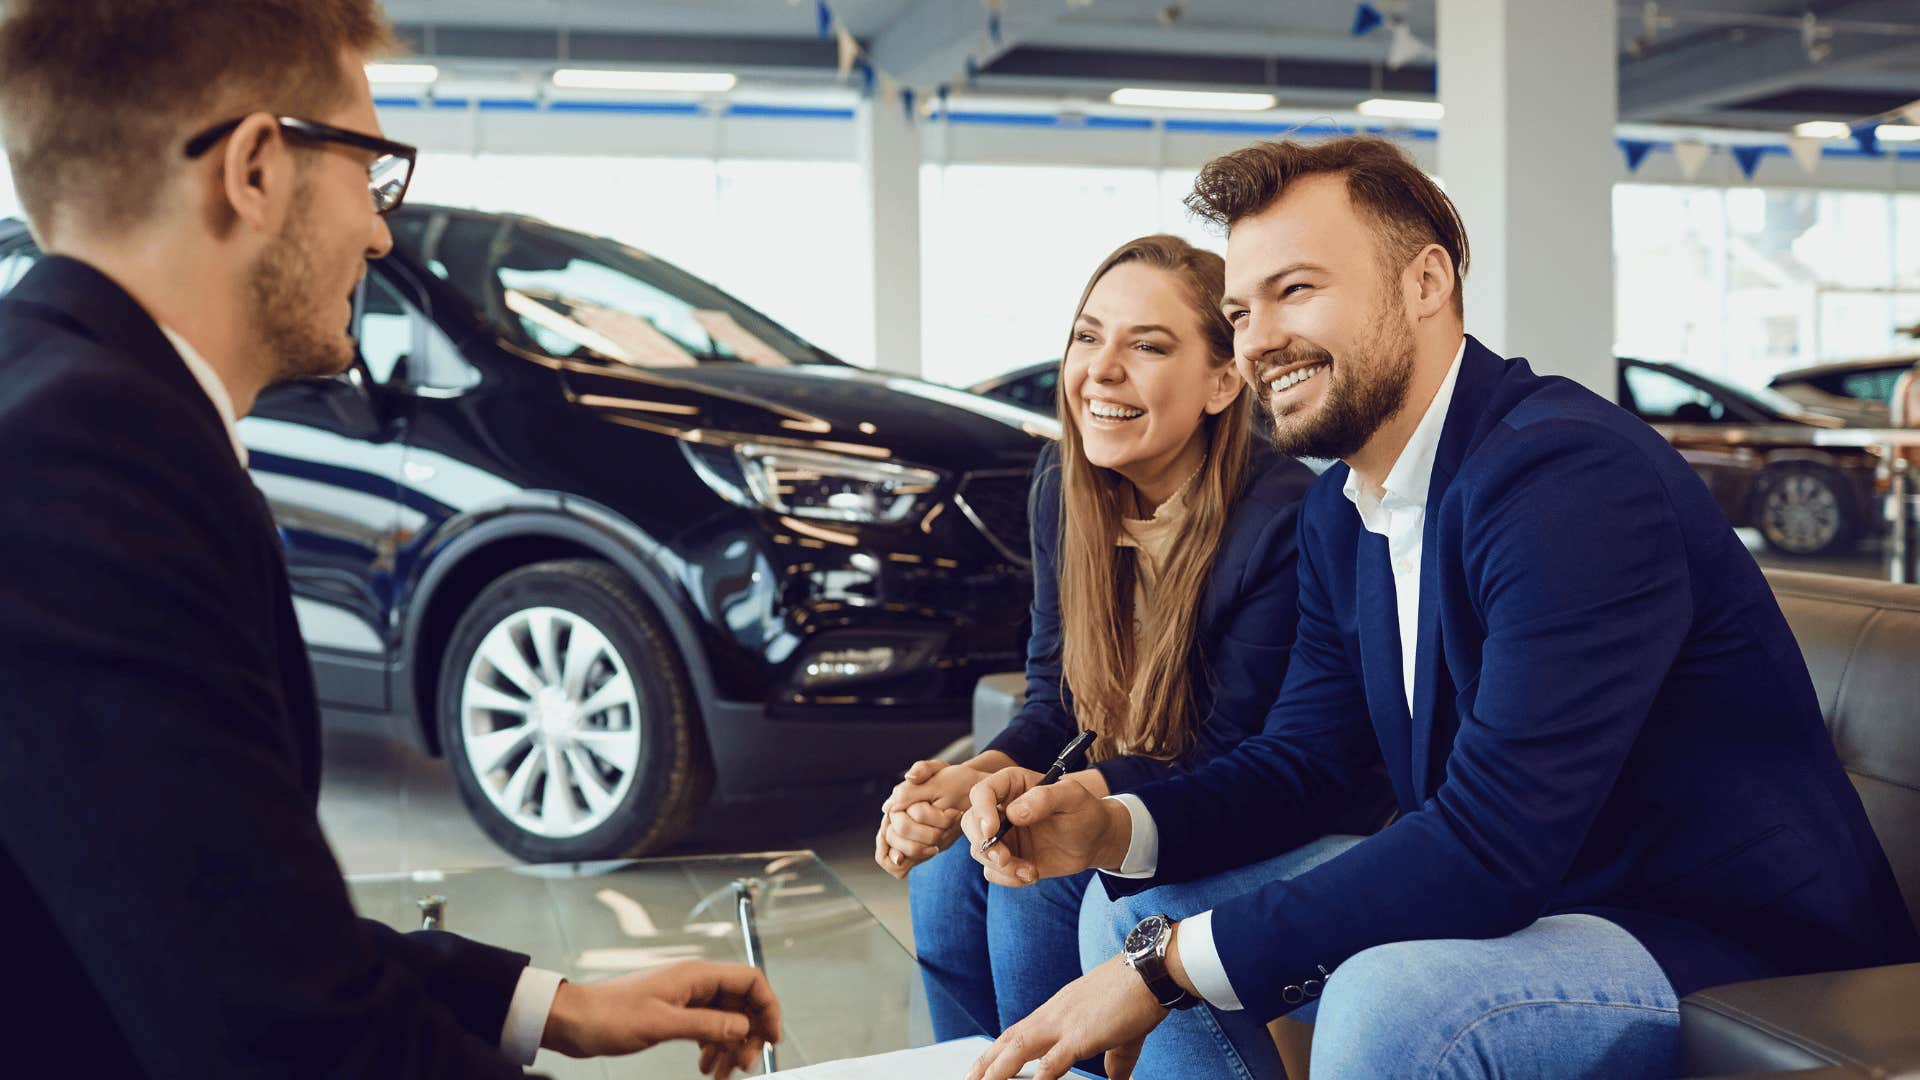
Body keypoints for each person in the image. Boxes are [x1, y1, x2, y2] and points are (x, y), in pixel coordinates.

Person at [958, 135, 1920, 1080]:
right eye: (1241, 311)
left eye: (1297, 290)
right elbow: (1304, 765)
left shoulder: (1567, 477)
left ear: (1425, 284)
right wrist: (1115, 823)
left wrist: (1166, 970)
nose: (1259, 342)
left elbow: (1494, 839)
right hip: (1548, 898)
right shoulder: (1344, 508)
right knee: (1127, 906)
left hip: (1712, 929)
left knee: (1390, 996)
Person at [0, 2, 778, 1076]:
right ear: (257, 169)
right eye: (374, 167)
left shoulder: (63, 402)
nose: (380, 228)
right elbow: (278, 1031)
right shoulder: (89, 457)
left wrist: (549, 1007)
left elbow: (214, 907)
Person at [873, 235, 1381, 1067]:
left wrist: (1047, 797)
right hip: (1135, 786)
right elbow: (1055, 702)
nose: (1101, 370)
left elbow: (1234, 755)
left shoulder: (1286, 518)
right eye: (1087, 336)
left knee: (1035, 887)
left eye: (1147, 345)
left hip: (1279, 806)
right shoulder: (1062, 488)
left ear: (1225, 381)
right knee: (950, 865)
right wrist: (975, 777)